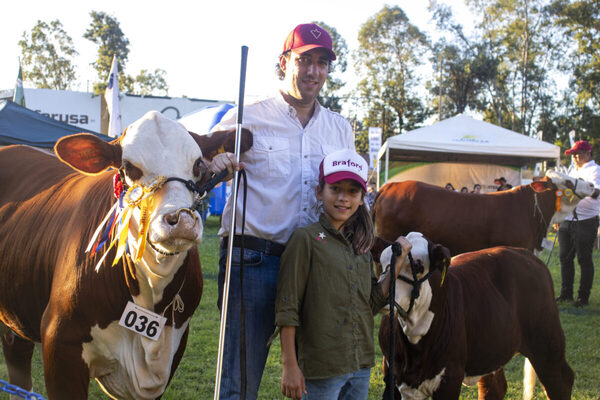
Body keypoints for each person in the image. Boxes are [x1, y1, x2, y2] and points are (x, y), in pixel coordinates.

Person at [208, 23, 354, 399]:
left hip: (316, 263)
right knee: (239, 378)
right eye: (305, 60)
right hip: (253, 258)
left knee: (316, 377)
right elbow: (204, 166)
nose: (313, 71)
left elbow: (350, 199)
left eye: (322, 63)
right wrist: (220, 163)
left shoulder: (340, 129)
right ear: (284, 62)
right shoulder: (248, 115)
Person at [275, 149, 412, 399]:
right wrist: (289, 365)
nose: (343, 198)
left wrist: (396, 266)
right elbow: (287, 306)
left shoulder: (360, 246)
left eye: (352, 191)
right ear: (320, 192)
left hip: (360, 365)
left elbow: (369, 303)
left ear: (362, 198)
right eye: (335, 188)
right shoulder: (305, 239)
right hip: (321, 369)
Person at [556, 140, 600, 307]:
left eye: (578, 154)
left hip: (585, 220)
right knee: (564, 257)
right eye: (573, 154)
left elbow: (596, 193)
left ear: (588, 154)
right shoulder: (572, 169)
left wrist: (577, 186)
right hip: (567, 218)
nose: (574, 157)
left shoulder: (595, 170)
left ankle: (583, 297)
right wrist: (559, 215)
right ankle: (566, 294)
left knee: (584, 259)